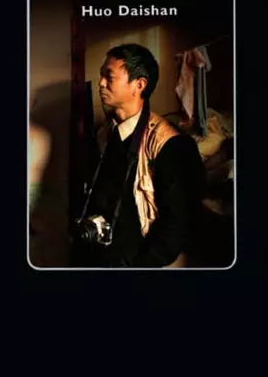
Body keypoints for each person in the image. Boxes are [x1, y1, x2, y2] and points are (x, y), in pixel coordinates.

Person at [68, 42, 204, 268]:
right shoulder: (104, 134)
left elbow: (177, 226)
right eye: (101, 76)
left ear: (139, 85)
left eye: (109, 77)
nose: (100, 83)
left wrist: (140, 265)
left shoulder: (170, 144)